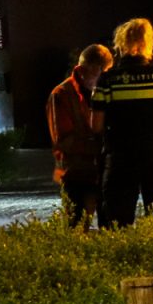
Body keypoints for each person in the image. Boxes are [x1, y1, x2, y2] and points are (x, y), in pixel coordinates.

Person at [91, 17, 153, 228]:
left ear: (121, 43)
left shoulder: (107, 81)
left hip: (120, 160)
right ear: (147, 43)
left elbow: (96, 126)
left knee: (117, 222)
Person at [46, 44, 112, 227]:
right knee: (77, 228)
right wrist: (98, 145)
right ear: (89, 69)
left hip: (100, 172)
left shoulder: (100, 91)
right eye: (102, 73)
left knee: (110, 229)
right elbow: (63, 140)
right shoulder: (61, 95)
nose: (104, 79)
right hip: (76, 175)